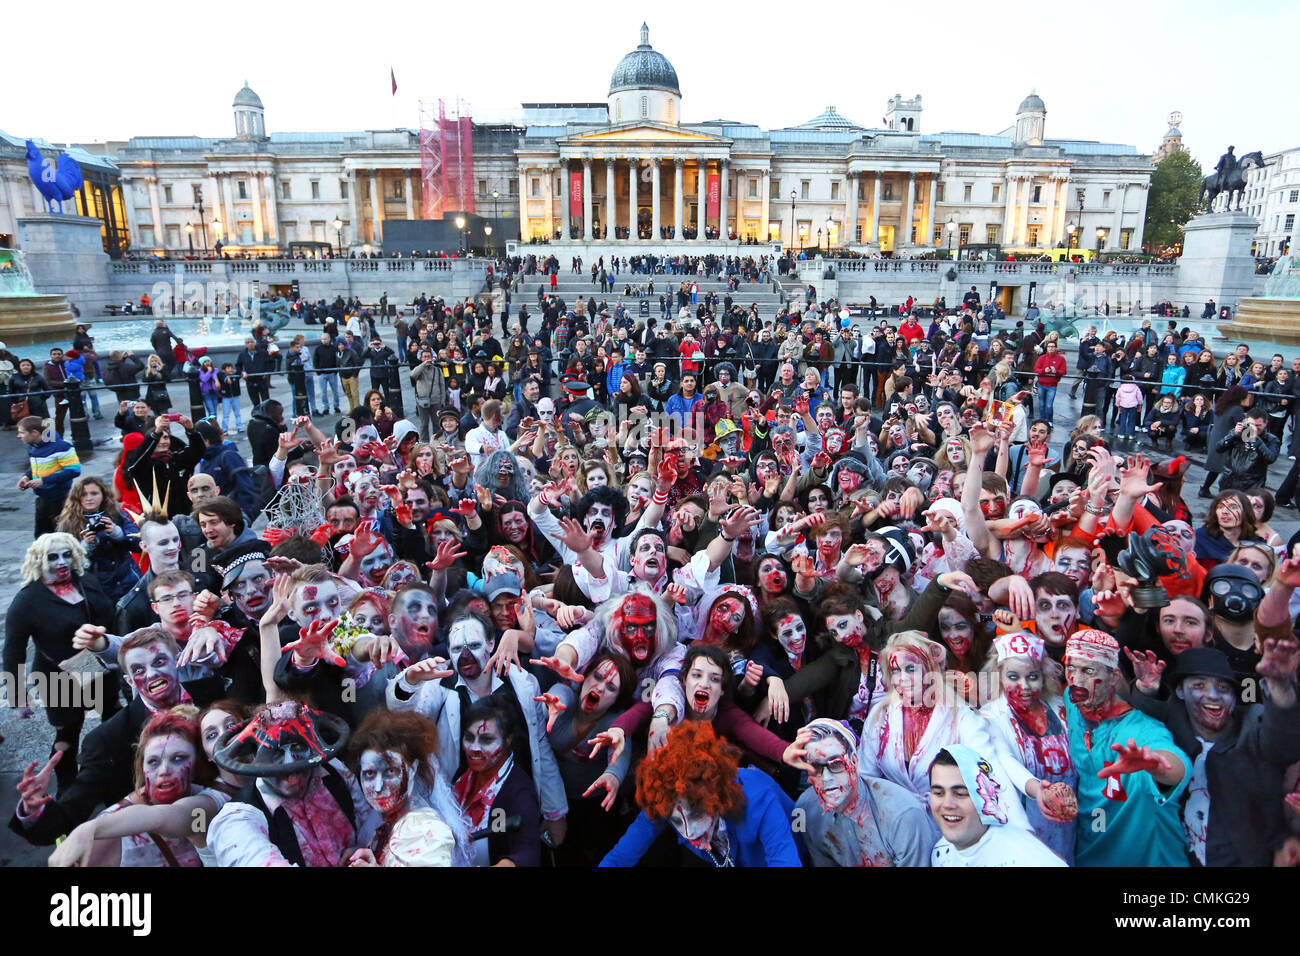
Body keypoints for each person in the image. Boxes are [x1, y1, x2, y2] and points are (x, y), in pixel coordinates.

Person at [1063, 629, 1190, 867]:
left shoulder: (1142, 729)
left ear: (1113, 677)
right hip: (1087, 856)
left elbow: (1174, 765)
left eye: (1089, 671)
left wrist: (1154, 764)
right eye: (1072, 669)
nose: (1076, 680)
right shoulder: (1073, 702)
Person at [600, 721, 800, 867]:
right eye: (676, 821)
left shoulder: (759, 798)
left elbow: (786, 860)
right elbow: (620, 858)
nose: (689, 832)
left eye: (696, 813)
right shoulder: (666, 801)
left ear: (714, 794)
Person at [787, 718, 938, 866]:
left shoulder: (904, 815)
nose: (826, 778)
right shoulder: (807, 809)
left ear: (855, 760)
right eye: (816, 767)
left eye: (836, 764)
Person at [344, 709, 473, 867]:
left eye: (390, 771)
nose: (378, 787)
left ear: (412, 769)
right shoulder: (386, 823)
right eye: (369, 774)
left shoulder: (426, 830)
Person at [927, 746, 1066, 866]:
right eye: (938, 793)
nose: (947, 804)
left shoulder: (1031, 860)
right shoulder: (941, 853)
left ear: (985, 796)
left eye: (961, 794)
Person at [16, 415, 81, 536]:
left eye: (22, 432)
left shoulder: (62, 447)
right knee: (41, 536)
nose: (18, 436)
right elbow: (36, 465)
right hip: (42, 498)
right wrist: (27, 477)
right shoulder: (33, 446)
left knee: (61, 535)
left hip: (59, 499)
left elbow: (74, 471)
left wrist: (44, 481)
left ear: (35, 433)